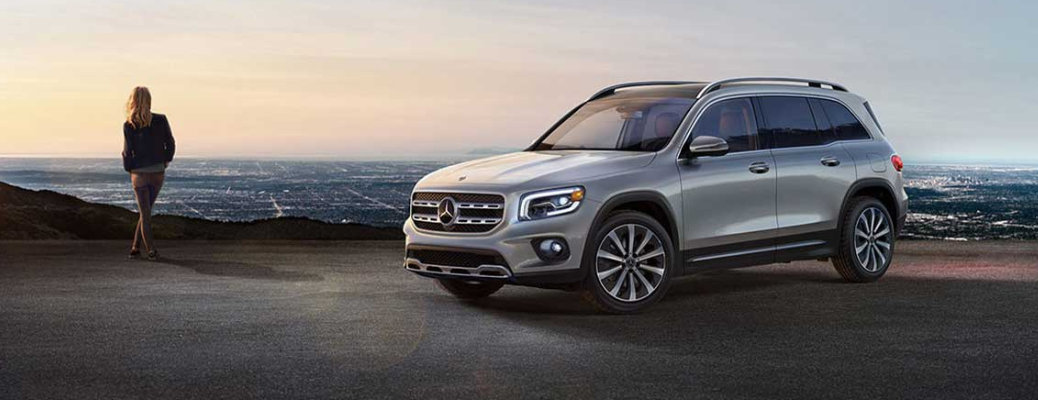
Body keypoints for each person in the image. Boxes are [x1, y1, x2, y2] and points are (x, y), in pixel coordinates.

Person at [121, 86, 175, 260]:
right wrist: (165, 161)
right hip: (158, 171)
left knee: (145, 212)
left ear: (133, 101)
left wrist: (129, 169)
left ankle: (149, 249)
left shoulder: (129, 125)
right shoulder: (161, 120)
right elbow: (171, 143)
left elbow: (127, 152)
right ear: (149, 100)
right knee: (146, 211)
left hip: (139, 174)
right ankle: (137, 247)